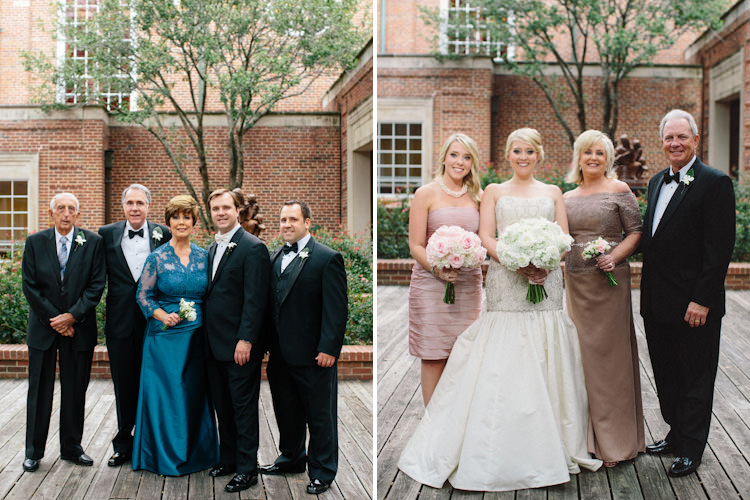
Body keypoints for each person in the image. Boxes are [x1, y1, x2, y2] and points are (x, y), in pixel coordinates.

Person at [398, 128, 601, 492]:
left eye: (529, 151)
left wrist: (546, 260)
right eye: (516, 151)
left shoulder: (552, 192)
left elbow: (564, 238)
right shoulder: (491, 192)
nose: (522, 157)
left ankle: (551, 440)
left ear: (539, 155)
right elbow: (486, 236)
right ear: (507, 155)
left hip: (546, 283)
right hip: (507, 282)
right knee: (497, 360)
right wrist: (516, 259)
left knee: (545, 354)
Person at [640, 109, 735, 477]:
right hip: (656, 301)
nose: (675, 143)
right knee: (666, 373)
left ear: (696, 140)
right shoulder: (655, 182)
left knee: (695, 374)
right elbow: (655, 239)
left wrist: (703, 299)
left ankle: (692, 448)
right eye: (669, 137)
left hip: (695, 304)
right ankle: (676, 433)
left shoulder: (714, 182)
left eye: (682, 137)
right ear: (662, 141)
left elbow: (719, 248)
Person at [563, 130, 645, 467]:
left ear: (607, 157)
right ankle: (583, 439)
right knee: (578, 360)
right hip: (576, 285)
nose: (593, 158)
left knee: (610, 363)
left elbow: (636, 232)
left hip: (609, 285)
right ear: (578, 158)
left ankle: (615, 442)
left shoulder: (619, 190)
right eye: (587, 152)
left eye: (599, 152)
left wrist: (616, 256)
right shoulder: (566, 197)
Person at [260, 200, 348, 496]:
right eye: (283, 219)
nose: (286, 224)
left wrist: (329, 349)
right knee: (287, 411)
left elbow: (336, 310)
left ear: (307, 223)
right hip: (280, 355)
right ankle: (291, 457)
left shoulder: (327, 258)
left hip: (314, 355)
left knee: (320, 415)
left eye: (293, 219)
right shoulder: (274, 257)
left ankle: (322, 471)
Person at [132, 195, 218, 476]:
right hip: (164, 338)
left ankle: (199, 453)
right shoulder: (157, 258)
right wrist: (160, 314)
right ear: (168, 222)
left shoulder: (205, 256)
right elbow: (143, 295)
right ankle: (161, 456)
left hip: (198, 339)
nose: (181, 222)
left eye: (186, 217)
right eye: (176, 217)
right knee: (166, 397)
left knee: (194, 395)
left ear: (194, 222)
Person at [21, 192, 105, 472]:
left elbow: (96, 285)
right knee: (39, 390)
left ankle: (71, 448)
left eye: (71, 209)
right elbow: (30, 286)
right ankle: (33, 450)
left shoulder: (93, 242)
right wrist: (55, 320)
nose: (66, 213)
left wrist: (72, 317)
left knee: (74, 390)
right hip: (43, 330)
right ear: (52, 213)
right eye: (61, 208)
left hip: (78, 330)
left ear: (77, 214)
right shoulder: (35, 242)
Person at [407, 133, 483, 405]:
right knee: (433, 353)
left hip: (466, 285)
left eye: (466, 157)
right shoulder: (425, 193)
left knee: (463, 352)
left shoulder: (479, 196)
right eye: (454, 155)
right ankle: (432, 423)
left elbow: (485, 239)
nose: (459, 162)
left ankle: (456, 420)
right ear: (444, 157)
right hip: (430, 284)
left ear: (472, 162)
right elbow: (415, 245)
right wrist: (437, 269)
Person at [98, 184, 171, 467]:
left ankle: (150, 441)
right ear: (123, 206)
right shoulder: (106, 235)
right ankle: (123, 444)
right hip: (120, 324)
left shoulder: (163, 234)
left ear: (148, 206)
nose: (135, 208)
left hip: (154, 323)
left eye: (140, 202)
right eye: (130, 203)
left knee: (153, 384)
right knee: (124, 385)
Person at [203, 188, 271, 493]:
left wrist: (246, 340)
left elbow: (256, 301)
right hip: (213, 345)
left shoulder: (252, 248)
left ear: (237, 211)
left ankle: (247, 469)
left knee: (243, 409)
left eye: (226, 208)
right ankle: (228, 459)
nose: (220, 212)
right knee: (223, 406)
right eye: (215, 208)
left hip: (239, 347)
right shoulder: (211, 248)